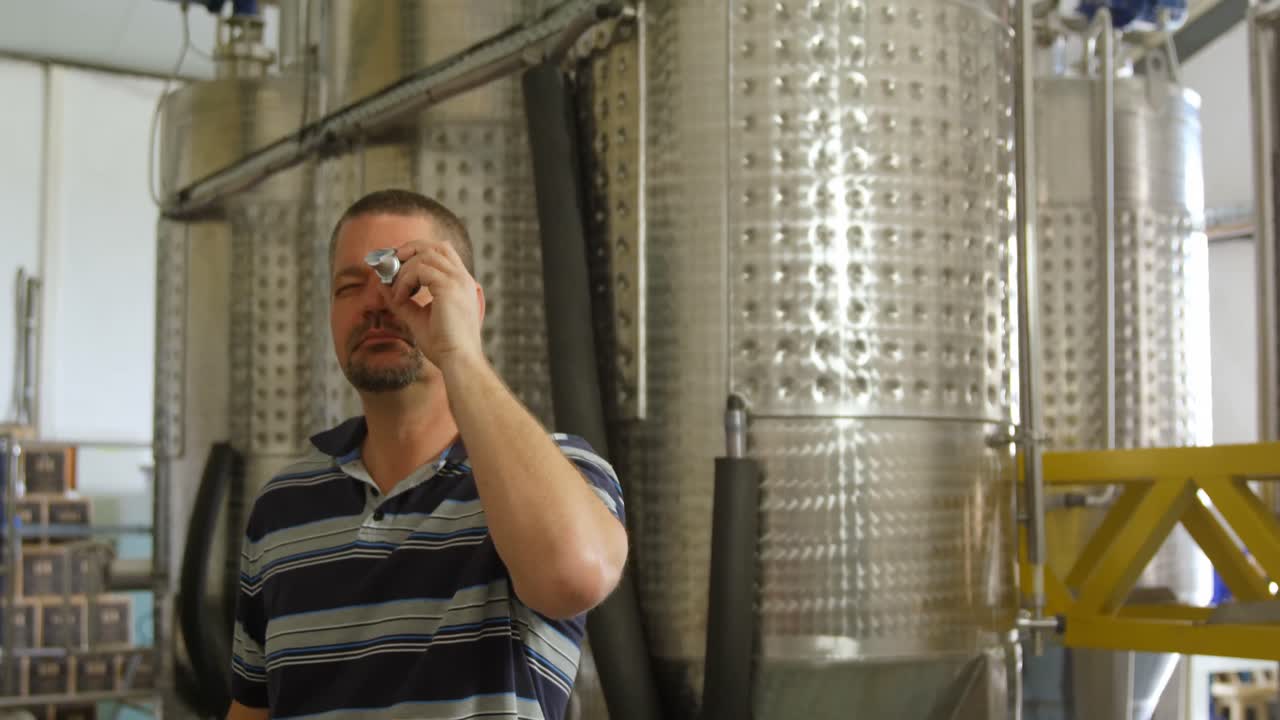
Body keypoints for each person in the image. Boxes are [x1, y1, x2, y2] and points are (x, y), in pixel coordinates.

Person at [226, 189, 629, 720]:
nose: (376, 303)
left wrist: (459, 349)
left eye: (404, 278)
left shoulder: (557, 472)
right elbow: (251, 710)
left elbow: (574, 576)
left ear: (471, 303)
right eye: (350, 287)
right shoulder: (284, 503)